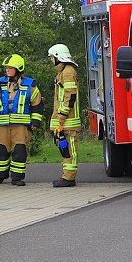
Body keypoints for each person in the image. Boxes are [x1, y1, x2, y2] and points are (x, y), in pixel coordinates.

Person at [0, 54, 44, 186]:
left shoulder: (30, 86)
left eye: (10, 68)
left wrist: (35, 122)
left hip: (21, 126)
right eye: (6, 68)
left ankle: (17, 178)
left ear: (18, 69)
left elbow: (37, 105)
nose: (7, 70)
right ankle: (1, 175)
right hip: (1, 125)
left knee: (19, 151)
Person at [48, 44, 81, 187]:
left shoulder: (67, 72)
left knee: (69, 149)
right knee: (64, 148)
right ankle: (66, 176)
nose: (51, 60)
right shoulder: (63, 72)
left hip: (68, 120)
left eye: (52, 57)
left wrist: (63, 113)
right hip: (64, 120)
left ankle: (69, 178)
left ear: (58, 56)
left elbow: (70, 95)